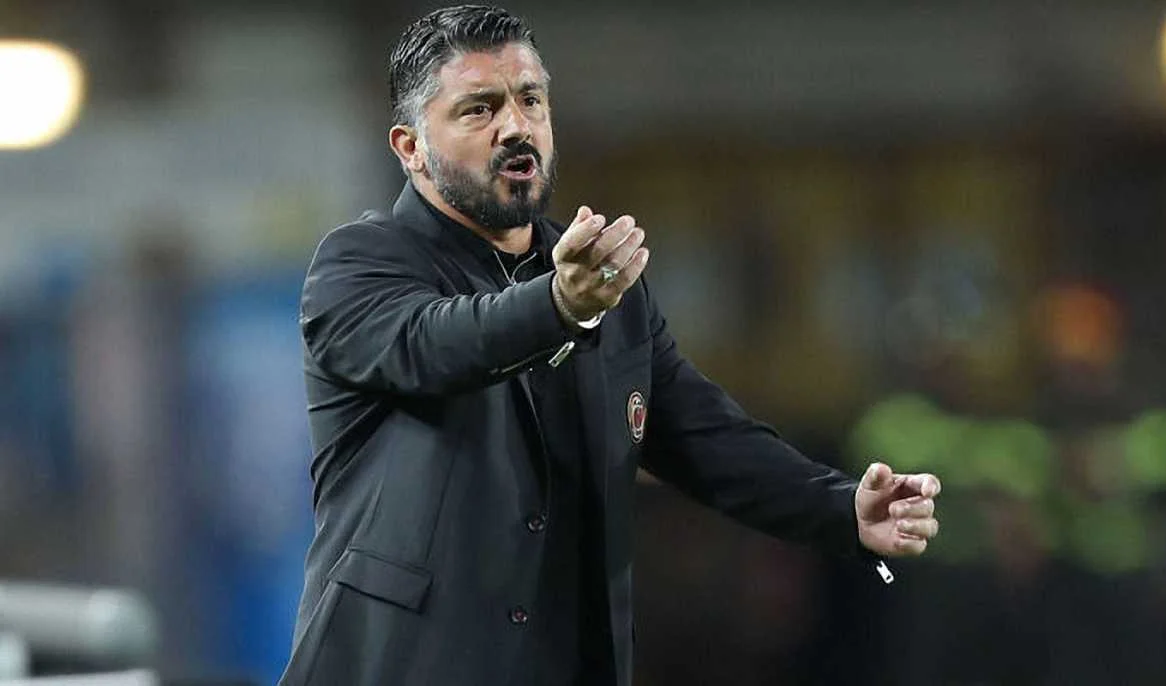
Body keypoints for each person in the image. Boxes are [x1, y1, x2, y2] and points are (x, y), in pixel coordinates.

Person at [280, 5, 941, 685]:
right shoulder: (359, 265)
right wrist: (558, 307)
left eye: (530, 100)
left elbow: (706, 438)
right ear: (410, 147)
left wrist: (839, 508)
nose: (516, 126)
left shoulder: (601, 282)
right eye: (479, 109)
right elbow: (438, 344)